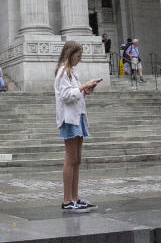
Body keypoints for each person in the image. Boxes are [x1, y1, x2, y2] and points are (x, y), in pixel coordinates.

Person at [54, 40, 102, 213]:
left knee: (77, 159)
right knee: (70, 158)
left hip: (78, 116)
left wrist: (86, 90)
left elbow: (75, 95)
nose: (79, 59)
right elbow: (66, 96)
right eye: (78, 56)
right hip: (69, 119)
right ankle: (67, 200)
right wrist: (83, 86)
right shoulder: (63, 72)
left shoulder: (72, 73)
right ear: (70, 54)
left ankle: (75, 197)